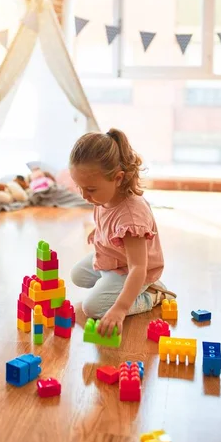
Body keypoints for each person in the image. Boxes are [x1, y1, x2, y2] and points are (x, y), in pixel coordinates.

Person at [69, 128, 176, 337]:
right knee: (77, 275)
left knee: (92, 309)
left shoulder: (131, 217)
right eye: (79, 187)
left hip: (132, 270)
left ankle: (152, 295)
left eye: (90, 189)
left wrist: (119, 309)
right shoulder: (104, 195)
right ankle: (113, 289)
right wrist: (98, 232)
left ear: (118, 178)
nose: (84, 195)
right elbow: (107, 222)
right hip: (112, 259)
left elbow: (138, 268)